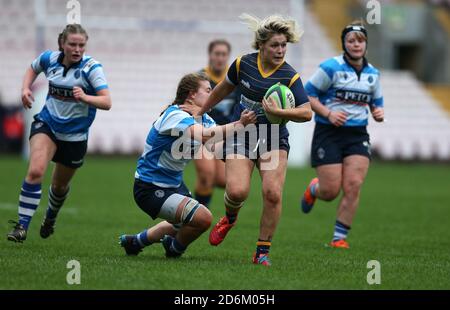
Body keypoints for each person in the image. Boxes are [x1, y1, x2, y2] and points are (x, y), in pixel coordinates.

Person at [194, 14, 312, 266]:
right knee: (237, 191)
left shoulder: (290, 76)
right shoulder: (242, 65)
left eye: (284, 45)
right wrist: (200, 112)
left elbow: (306, 112)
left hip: (273, 138)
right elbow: (222, 89)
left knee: (272, 193)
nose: (281, 50)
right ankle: (229, 218)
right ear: (261, 45)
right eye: (275, 45)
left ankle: (262, 253)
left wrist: (279, 113)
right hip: (243, 134)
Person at [119, 73, 256, 258]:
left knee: (182, 224)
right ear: (192, 95)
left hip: (174, 186)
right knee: (203, 218)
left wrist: (247, 156)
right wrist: (239, 124)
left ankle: (135, 242)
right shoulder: (175, 115)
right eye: (208, 90)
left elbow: (218, 148)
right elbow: (204, 135)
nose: (213, 94)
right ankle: (174, 249)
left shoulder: (205, 119)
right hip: (150, 188)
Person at [7, 24, 111, 242]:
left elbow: (106, 101)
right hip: (48, 125)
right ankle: (21, 227)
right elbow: (32, 68)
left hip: (75, 136)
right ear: (62, 44)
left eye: (81, 45)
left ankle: (50, 218)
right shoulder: (49, 59)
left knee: (59, 186)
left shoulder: (92, 69)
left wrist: (85, 98)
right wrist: (25, 88)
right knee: (36, 171)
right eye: (72, 44)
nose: (77, 49)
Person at [300, 21, 384, 249]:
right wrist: (329, 113)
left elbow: (377, 103)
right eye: (351, 40)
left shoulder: (373, 74)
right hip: (329, 133)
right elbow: (307, 94)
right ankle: (315, 189)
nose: (356, 44)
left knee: (354, 185)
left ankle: (339, 239)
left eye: (360, 40)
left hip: (357, 135)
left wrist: (378, 112)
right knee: (330, 191)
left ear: (366, 44)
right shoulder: (330, 67)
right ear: (344, 44)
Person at [193, 39, 239, 208]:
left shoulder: (234, 79)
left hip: (224, 135)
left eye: (224, 54)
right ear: (210, 55)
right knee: (206, 174)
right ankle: (195, 218)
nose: (220, 58)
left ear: (228, 57)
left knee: (221, 180)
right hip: (202, 134)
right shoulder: (199, 79)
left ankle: (192, 205)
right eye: (217, 54)